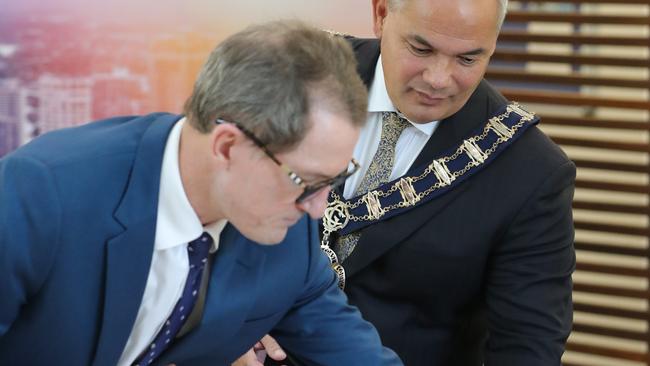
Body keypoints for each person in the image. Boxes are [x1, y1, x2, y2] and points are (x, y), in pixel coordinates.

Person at [0, 20, 403, 366]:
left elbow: (354, 353)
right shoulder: (42, 193)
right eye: (306, 183)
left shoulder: (285, 235)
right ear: (226, 146)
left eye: (333, 180)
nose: (318, 210)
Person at [253, 0, 576, 365]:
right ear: (380, 14)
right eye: (421, 49)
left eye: (468, 59)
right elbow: (206, 206)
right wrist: (226, 327)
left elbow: (528, 349)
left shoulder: (531, 173)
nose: (439, 79)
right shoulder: (296, 71)